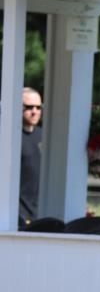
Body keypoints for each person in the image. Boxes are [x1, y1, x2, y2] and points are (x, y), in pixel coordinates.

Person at [19, 87, 43, 227]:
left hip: (40, 213)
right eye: (29, 107)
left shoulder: (44, 136)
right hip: (18, 216)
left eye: (38, 107)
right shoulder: (11, 137)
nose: (35, 111)